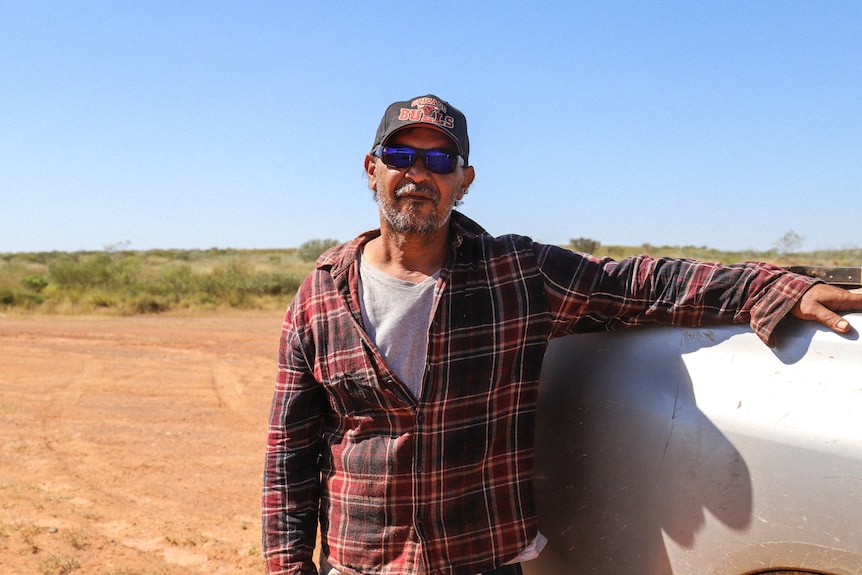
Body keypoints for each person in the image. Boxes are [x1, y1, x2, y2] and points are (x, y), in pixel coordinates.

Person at [262, 94, 862, 575]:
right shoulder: (320, 295)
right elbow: (291, 452)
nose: (419, 173)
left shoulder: (517, 274)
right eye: (403, 155)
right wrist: (288, 566)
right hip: (361, 562)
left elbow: (641, 284)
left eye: (440, 161)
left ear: (464, 181)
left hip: (482, 559)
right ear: (373, 169)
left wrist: (774, 289)